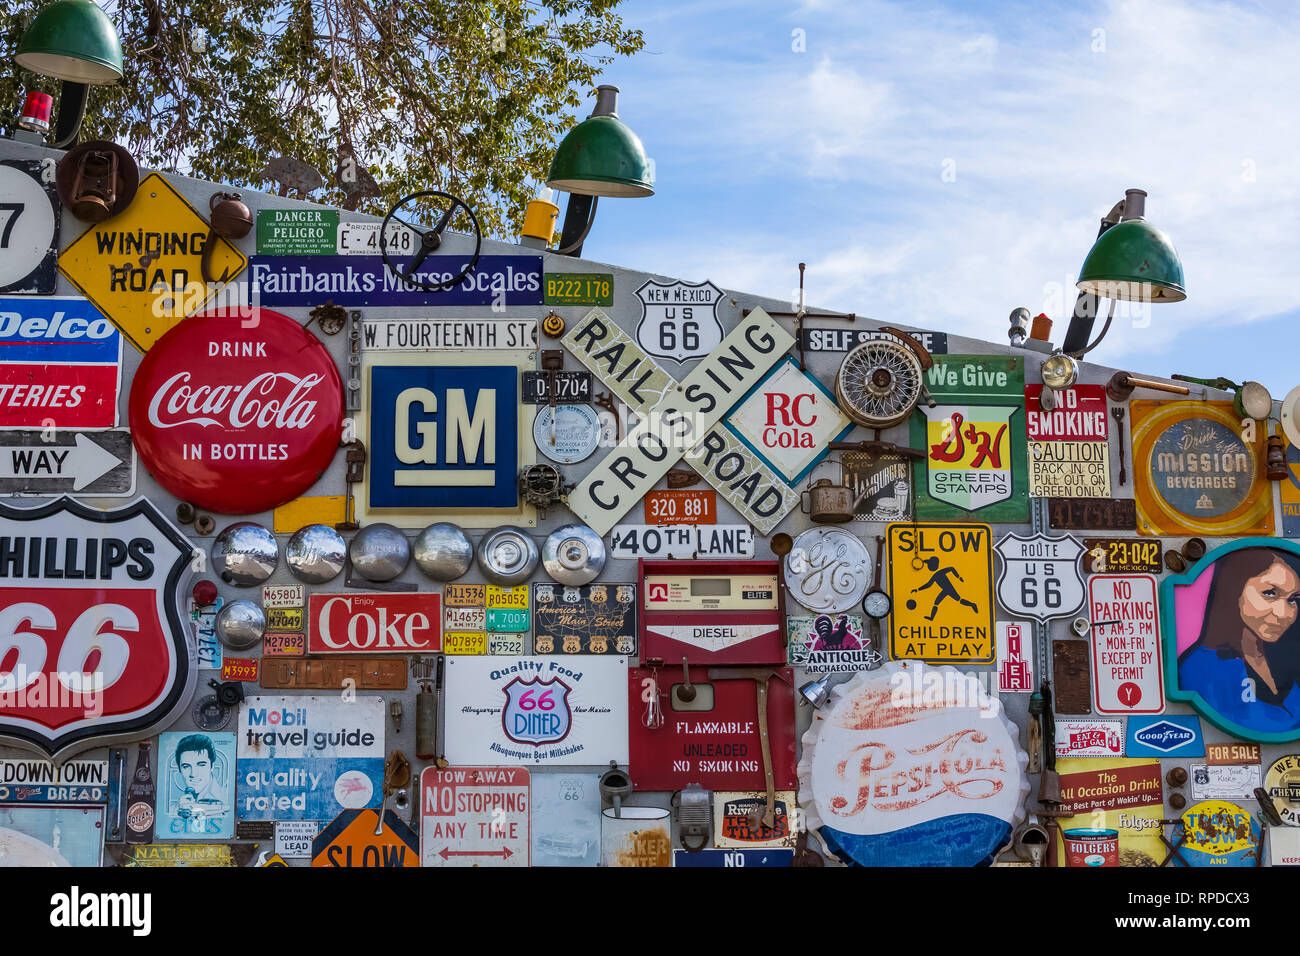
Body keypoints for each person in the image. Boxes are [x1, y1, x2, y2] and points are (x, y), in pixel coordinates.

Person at [1177, 547, 1300, 735]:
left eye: (1293, 599)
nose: (1283, 613)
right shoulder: (1204, 666)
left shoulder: (1283, 657)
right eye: (1269, 593)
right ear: (1234, 590)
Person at [171, 734, 228, 829]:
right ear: (179, 769)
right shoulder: (175, 807)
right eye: (186, 766)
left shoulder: (225, 797)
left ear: (212, 766)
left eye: (201, 765)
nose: (193, 774)